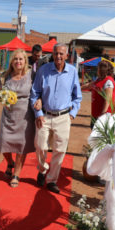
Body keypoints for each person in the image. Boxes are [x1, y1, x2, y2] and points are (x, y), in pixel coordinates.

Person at [30, 43, 82, 194]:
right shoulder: (43, 70)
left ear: (67, 56)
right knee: (40, 146)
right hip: (44, 115)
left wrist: (72, 114)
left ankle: (52, 180)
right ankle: (42, 170)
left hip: (63, 117)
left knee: (60, 150)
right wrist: (38, 114)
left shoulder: (72, 72)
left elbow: (77, 97)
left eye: (61, 54)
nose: (58, 57)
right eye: (56, 53)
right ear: (52, 54)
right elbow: (35, 93)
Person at [0, 49, 35, 188]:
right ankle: (10, 162)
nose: (18, 61)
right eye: (15, 59)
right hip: (8, 114)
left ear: (25, 61)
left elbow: (37, 92)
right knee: (4, 142)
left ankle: (16, 174)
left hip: (25, 115)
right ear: (12, 62)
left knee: (21, 145)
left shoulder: (31, 75)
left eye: (21, 59)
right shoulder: (6, 76)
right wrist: (2, 99)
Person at [81, 60, 115, 129]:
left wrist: (102, 116)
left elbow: (108, 100)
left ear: (102, 70)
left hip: (103, 116)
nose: (97, 70)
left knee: (101, 138)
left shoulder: (108, 81)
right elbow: (89, 85)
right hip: (95, 114)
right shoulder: (99, 79)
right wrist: (76, 88)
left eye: (98, 68)